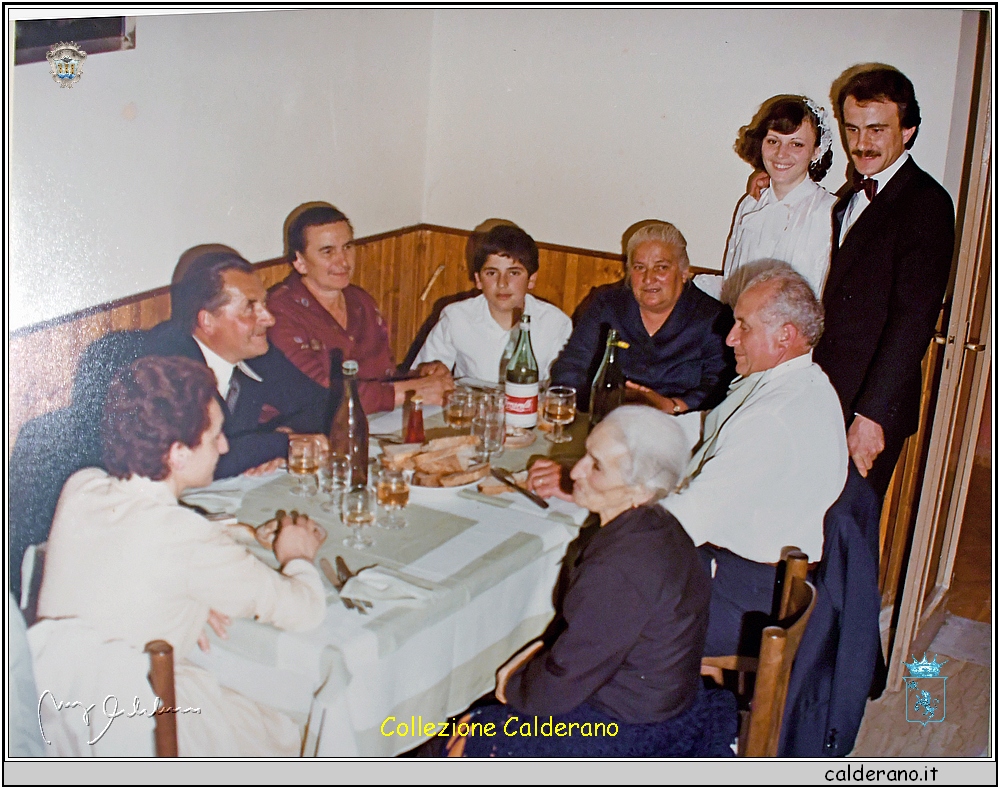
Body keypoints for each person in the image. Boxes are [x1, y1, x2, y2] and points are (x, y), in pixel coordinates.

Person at [531, 263, 847, 658]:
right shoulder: (801, 384)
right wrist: (633, 437)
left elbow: (683, 522)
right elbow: (708, 427)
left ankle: (570, 694)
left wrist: (589, 489)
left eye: (744, 326)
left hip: (745, 596)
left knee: (596, 586)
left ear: (786, 335)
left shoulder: (773, 417)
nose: (731, 338)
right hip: (759, 575)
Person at [30, 356, 328, 757]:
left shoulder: (81, 488)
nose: (224, 445)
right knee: (300, 730)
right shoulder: (189, 541)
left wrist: (185, 594)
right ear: (178, 454)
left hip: (59, 721)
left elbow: (130, 547)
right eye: (215, 436)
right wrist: (299, 556)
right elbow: (305, 611)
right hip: (141, 735)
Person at [452, 406, 734, 758]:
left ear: (640, 490)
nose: (578, 470)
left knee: (472, 735)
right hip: (654, 698)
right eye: (586, 454)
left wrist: (513, 689)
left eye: (596, 466)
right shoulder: (657, 526)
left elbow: (565, 678)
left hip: (633, 728)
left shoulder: (623, 566)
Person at [813, 67, 955, 499]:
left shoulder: (926, 203)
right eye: (852, 129)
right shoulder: (848, 199)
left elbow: (913, 321)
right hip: (827, 393)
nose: (862, 143)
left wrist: (871, 416)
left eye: (877, 129)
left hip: (869, 406)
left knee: (844, 535)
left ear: (908, 130)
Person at [141, 248, 333, 479]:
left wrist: (287, 433)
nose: (269, 319)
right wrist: (277, 444)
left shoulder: (257, 352)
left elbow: (324, 404)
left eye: (263, 303)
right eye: (250, 308)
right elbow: (194, 458)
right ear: (207, 321)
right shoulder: (165, 361)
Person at [267, 204, 454, 413]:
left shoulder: (360, 301)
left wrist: (422, 377)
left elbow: (381, 378)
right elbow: (319, 394)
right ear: (299, 261)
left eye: (347, 247)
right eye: (327, 251)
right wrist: (412, 390)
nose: (343, 261)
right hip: (304, 434)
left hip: (369, 423)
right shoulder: (279, 312)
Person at [549, 221, 733, 415]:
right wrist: (593, 406)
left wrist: (672, 406)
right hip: (608, 417)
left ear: (684, 271)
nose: (648, 278)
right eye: (639, 267)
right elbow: (571, 366)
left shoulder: (713, 318)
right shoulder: (607, 305)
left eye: (661, 268)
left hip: (678, 423)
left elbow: (720, 386)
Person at [694, 95, 837, 301]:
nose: (781, 153)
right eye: (773, 141)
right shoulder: (750, 203)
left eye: (796, 144)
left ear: (816, 151)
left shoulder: (828, 212)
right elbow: (732, 279)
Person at [410, 224, 572, 383]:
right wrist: (430, 371)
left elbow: (561, 387)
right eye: (492, 273)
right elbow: (422, 374)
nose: (502, 283)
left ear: (531, 279)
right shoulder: (456, 317)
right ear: (479, 279)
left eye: (514, 273)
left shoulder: (555, 323)